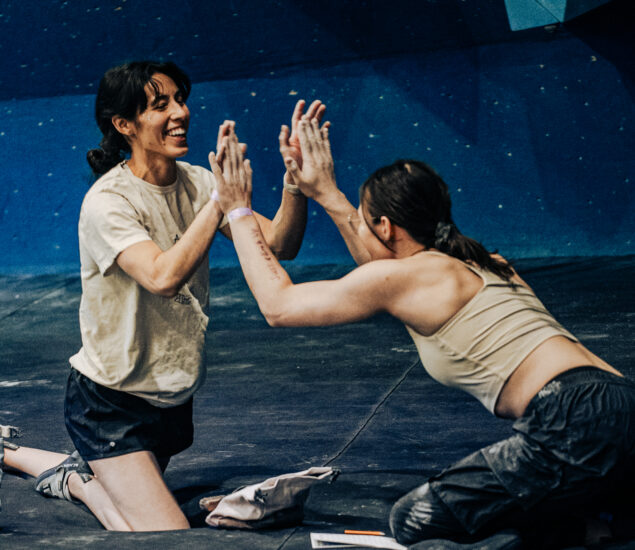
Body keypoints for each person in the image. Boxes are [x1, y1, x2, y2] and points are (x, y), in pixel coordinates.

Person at [209, 119, 635, 548]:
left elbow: (278, 307)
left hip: (574, 420)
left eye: (364, 218)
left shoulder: (412, 277)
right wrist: (323, 191)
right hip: (619, 404)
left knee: (415, 519)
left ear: (387, 226)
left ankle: (583, 524)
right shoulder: (487, 263)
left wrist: (238, 209)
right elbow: (379, 264)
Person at [1, 60, 325, 532]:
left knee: (141, 521)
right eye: (160, 105)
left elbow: (279, 245)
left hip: (171, 399)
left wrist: (296, 183)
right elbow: (161, 277)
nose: (180, 112)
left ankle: (76, 476)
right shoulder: (109, 201)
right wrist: (220, 203)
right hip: (108, 405)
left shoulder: (198, 181)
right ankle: (69, 475)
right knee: (167, 535)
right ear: (124, 124)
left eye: (179, 99)